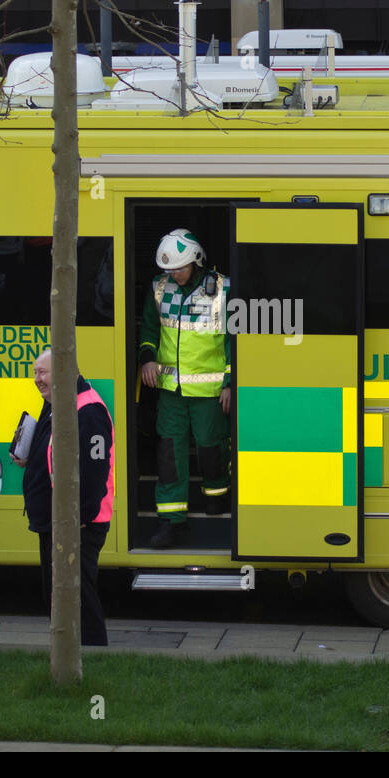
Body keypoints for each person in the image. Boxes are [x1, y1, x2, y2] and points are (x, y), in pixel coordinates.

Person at [138, 229, 231, 549]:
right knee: (169, 455)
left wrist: (230, 383)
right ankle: (171, 521)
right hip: (170, 390)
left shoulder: (223, 289)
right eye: (169, 269)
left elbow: (234, 339)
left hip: (209, 390)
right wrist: (147, 359)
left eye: (179, 268)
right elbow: (149, 329)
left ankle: (216, 494)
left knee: (210, 446)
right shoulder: (159, 287)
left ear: (197, 261)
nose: (173, 274)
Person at [17, 348, 114, 646]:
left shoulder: (89, 412)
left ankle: (93, 653)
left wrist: (78, 519)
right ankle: (70, 652)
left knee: (78, 598)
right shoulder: (58, 401)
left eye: (42, 373)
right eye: (35, 372)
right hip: (57, 521)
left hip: (76, 524)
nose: (37, 379)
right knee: (62, 596)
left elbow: (94, 473)